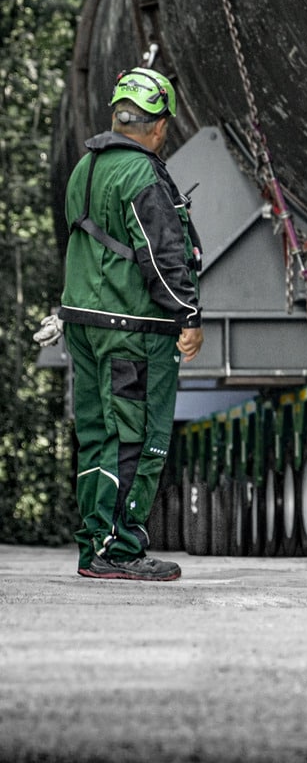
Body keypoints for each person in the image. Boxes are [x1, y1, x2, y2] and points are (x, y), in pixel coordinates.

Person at [58, 67, 204, 580]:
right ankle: (119, 550)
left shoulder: (86, 168)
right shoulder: (142, 174)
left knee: (99, 436)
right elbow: (162, 254)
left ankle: (96, 543)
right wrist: (188, 314)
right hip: (132, 330)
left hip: (84, 323)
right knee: (135, 439)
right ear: (158, 126)